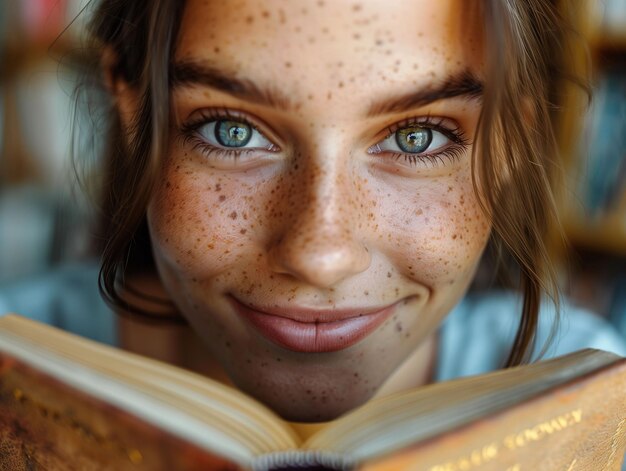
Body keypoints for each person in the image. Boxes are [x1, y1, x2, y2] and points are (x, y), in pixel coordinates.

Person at [2, 0, 625, 427]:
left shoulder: (590, 393)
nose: (320, 258)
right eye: (231, 131)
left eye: (418, 136)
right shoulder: (15, 357)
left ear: (512, 140)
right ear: (133, 111)